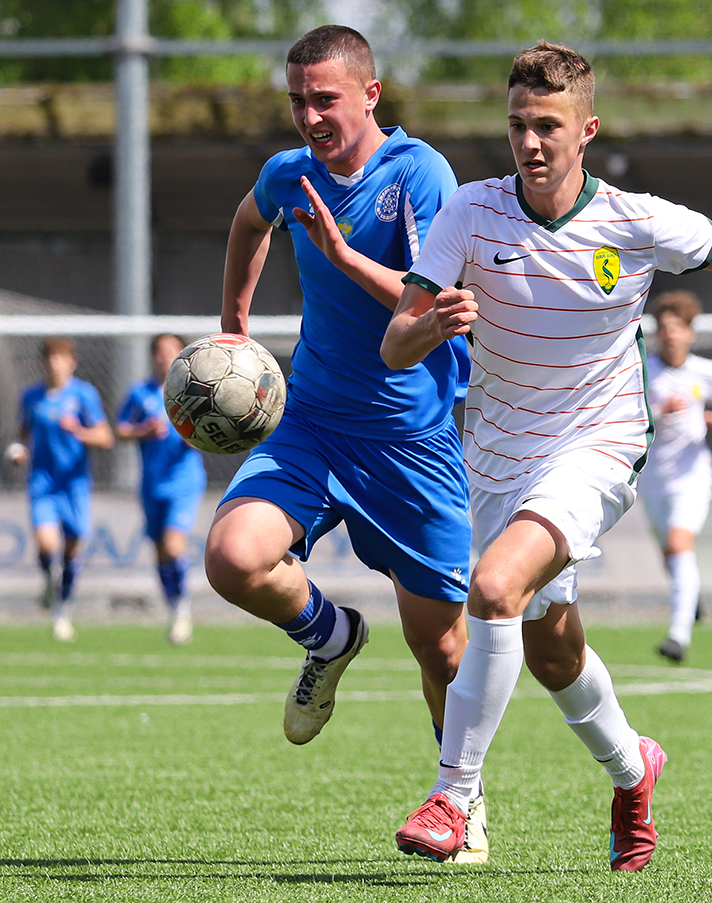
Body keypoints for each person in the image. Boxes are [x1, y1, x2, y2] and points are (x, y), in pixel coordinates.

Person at [382, 41, 712, 871]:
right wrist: (431, 325)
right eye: (517, 124)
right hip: (497, 456)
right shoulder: (469, 213)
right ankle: (632, 768)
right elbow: (394, 344)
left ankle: (453, 795)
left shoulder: (635, 218)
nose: (530, 141)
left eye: (547, 125)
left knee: (493, 587)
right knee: (551, 648)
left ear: (586, 129)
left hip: (598, 445)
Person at [201, 25, 487, 861]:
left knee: (439, 647)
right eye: (297, 100)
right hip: (313, 421)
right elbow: (248, 221)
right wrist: (233, 327)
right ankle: (328, 636)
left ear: (370, 93)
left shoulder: (419, 173)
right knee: (232, 557)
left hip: (410, 443)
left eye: (324, 99)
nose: (309, 116)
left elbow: (430, 299)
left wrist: (338, 252)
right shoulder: (287, 174)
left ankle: (460, 796)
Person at [641, 291, 712, 664]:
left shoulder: (706, 370)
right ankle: (690, 600)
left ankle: (678, 636)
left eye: (677, 328)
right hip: (653, 477)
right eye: (664, 328)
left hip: (692, 475)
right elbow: (630, 415)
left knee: (679, 544)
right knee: (669, 554)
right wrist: (659, 411)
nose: (670, 335)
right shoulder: (643, 368)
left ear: (690, 333)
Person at [8, 337, 113, 642]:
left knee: (72, 548)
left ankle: (62, 612)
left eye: (61, 358)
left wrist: (79, 431)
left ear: (72, 362)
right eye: (50, 358)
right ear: (43, 362)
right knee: (46, 545)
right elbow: (22, 434)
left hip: (75, 483)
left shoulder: (84, 394)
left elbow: (105, 437)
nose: (55, 363)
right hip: (42, 482)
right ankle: (48, 583)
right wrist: (18, 451)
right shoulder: (31, 396)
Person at [116, 334, 207, 645]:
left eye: (170, 351)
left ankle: (183, 609)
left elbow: (214, 430)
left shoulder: (195, 391)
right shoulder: (139, 393)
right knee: (159, 552)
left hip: (184, 481)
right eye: (159, 351)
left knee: (172, 546)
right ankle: (174, 608)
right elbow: (120, 430)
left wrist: (196, 438)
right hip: (151, 482)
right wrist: (141, 431)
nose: (163, 357)